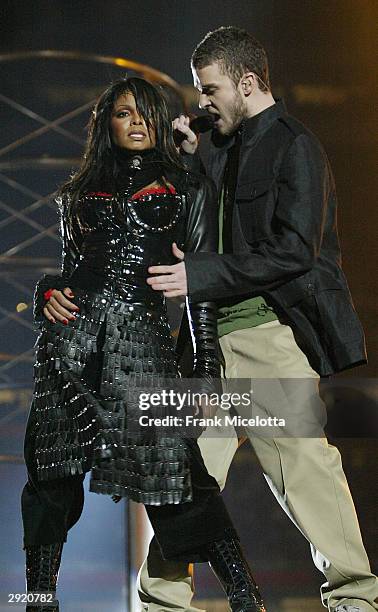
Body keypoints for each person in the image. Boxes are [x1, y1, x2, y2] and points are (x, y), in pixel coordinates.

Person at [142, 27, 378, 612]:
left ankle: (354, 596)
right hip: (210, 342)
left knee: (303, 469)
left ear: (248, 83)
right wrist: (192, 166)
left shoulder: (295, 146)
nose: (203, 102)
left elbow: (296, 251)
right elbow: (198, 230)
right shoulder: (219, 149)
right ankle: (161, 602)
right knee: (186, 475)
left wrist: (201, 275)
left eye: (211, 89)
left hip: (268, 335)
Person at [21, 77, 267, 612]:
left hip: (144, 344)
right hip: (72, 345)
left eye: (146, 113)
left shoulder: (189, 190)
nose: (135, 121)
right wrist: (45, 290)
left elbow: (197, 282)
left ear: (161, 121)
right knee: (50, 471)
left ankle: (246, 596)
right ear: (106, 123)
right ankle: (40, 599)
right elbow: (68, 271)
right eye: (124, 112)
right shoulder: (76, 194)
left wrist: (204, 361)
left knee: (176, 471)